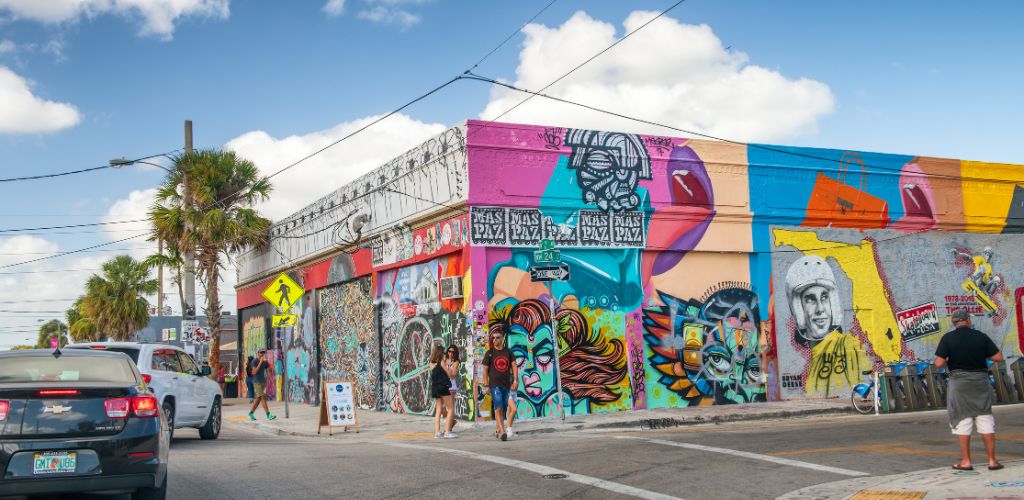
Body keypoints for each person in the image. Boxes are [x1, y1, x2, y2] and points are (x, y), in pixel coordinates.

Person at [934, 309, 1004, 471]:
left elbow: (938, 363)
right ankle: (992, 461)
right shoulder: (980, 336)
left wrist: (949, 359)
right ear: (968, 320)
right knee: (985, 418)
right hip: (980, 381)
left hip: (959, 383)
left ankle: (966, 461)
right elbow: (998, 357)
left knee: (962, 419)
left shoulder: (947, 339)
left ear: (954, 323)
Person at [483, 328, 518, 441]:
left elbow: (514, 366)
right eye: (493, 338)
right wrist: (486, 385)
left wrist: (516, 381)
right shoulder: (489, 353)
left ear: (503, 339)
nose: (495, 340)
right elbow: (485, 370)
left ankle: (499, 429)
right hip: (495, 385)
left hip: (507, 385)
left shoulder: (508, 352)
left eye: (497, 337)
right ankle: (503, 431)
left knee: (507, 408)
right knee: (498, 407)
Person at [429, 345, 457, 439]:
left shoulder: (431, 363)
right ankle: (447, 432)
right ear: (441, 353)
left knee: (438, 410)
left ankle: (437, 432)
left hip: (435, 387)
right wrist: (450, 369)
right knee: (450, 408)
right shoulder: (441, 362)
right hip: (443, 387)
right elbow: (449, 373)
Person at [248, 350, 277, 421]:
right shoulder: (254, 361)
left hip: (262, 383)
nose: (262, 354)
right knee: (263, 397)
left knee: (258, 399)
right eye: (261, 352)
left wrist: (272, 382)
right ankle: (268, 415)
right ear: (258, 353)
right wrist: (260, 362)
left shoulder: (265, 362)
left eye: (263, 353)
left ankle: (251, 413)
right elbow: (254, 372)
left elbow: (268, 372)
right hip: (256, 382)